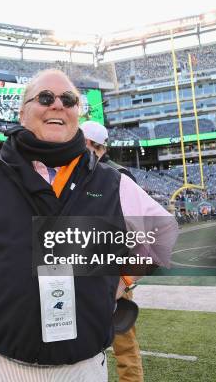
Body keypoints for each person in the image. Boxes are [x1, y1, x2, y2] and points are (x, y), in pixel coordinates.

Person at [0, 69, 177, 381]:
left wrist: (124, 280)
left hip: (82, 366)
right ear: (23, 113)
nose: (58, 105)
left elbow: (163, 232)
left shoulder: (111, 182)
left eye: (69, 99)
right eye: (46, 98)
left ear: (77, 111)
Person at [81, 120, 143, 382]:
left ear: (96, 147)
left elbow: (141, 229)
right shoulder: (77, 171)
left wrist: (125, 278)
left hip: (111, 267)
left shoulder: (118, 175)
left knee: (123, 340)